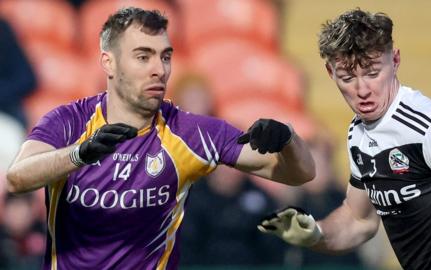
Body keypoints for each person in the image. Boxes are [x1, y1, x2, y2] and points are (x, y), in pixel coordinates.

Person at [5, 7, 315, 270]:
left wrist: (288, 139)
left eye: (165, 57)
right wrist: (79, 155)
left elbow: (299, 174)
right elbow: (18, 178)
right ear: (108, 63)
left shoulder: (191, 133)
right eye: (143, 57)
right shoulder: (69, 122)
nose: (159, 70)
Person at [258, 8, 431, 270]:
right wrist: (315, 233)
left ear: (395, 60)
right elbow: (358, 220)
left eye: (373, 73)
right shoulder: (359, 134)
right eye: (348, 78)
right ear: (330, 72)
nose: (362, 90)